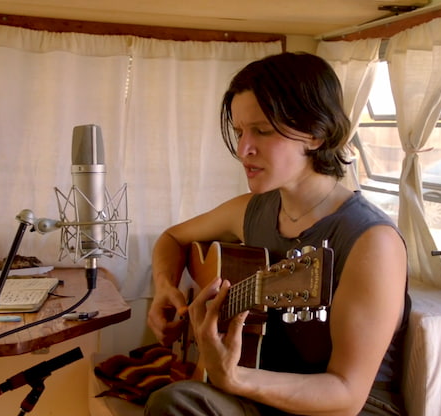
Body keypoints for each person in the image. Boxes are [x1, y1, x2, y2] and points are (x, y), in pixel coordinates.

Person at [144, 51, 410, 416]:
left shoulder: (370, 240)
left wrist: (234, 379)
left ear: (315, 134)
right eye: (239, 132)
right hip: (262, 391)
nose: (243, 150)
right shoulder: (252, 211)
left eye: (262, 131)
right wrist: (164, 287)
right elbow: (173, 238)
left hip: (346, 407)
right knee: (172, 402)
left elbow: (346, 394)